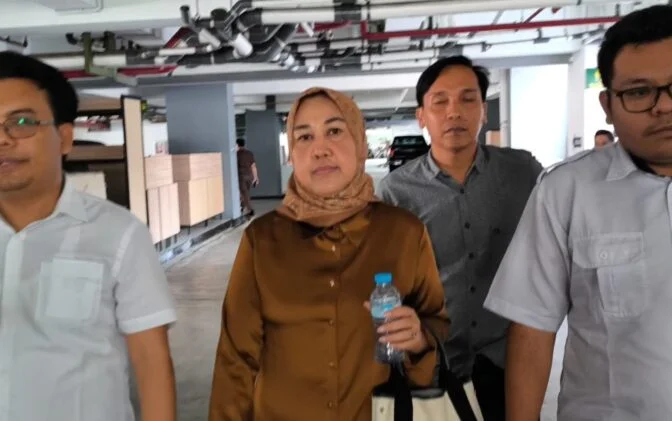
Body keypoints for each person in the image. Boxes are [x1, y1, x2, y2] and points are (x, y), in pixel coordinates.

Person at [484, 5, 672, 421]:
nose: (665, 106)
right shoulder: (567, 191)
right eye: (640, 92)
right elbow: (532, 329)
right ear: (608, 105)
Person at [208, 87, 449, 421]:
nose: (320, 149)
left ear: (361, 145)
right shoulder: (262, 240)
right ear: (292, 155)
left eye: (334, 131)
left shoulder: (404, 233)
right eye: (304, 137)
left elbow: (436, 324)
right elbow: (235, 359)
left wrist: (419, 338)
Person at [0, 52, 177, 421]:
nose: (2, 139)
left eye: (21, 122)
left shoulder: (119, 234)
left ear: (65, 137)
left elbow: (150, 361)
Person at [377, 55, 543, 420]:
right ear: (422, 116)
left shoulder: (522, 173)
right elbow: (385, 279)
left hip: (508, 358)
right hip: (433, 360)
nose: (454, 112)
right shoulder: (395, 192)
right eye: (440, 102)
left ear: (483, 111)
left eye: (468, 99)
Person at [236, 137, 259, 216]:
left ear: (237, 145)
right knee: (246, 193)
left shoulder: (237, 154)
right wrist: (256, 177)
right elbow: (253, 166)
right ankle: (242, 207)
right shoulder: (249, 153)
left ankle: (250, 210)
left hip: (241, 177)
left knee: (244, 194)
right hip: (250, 176)